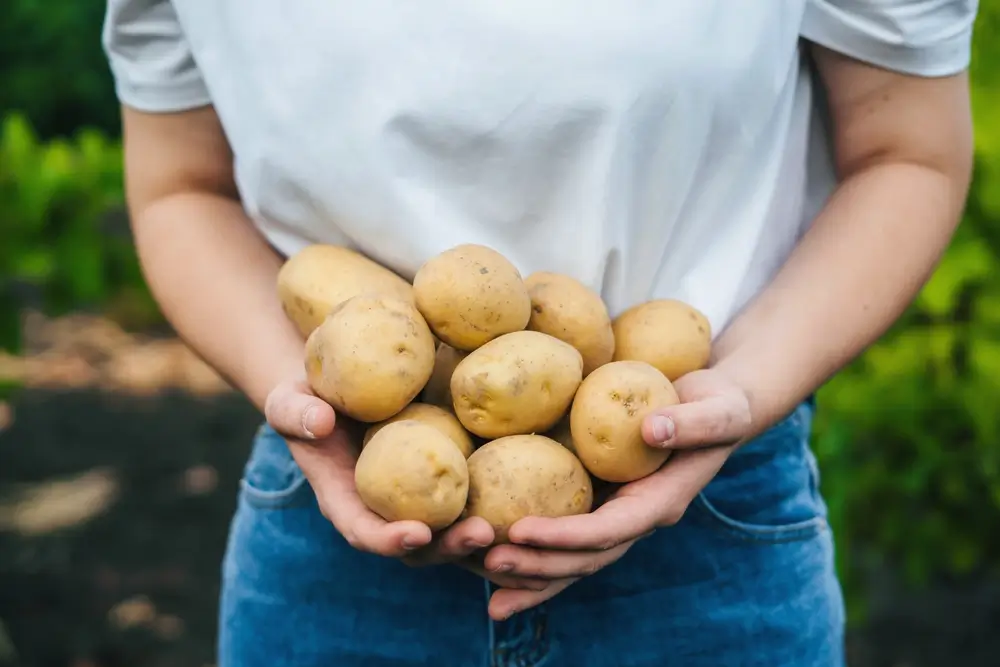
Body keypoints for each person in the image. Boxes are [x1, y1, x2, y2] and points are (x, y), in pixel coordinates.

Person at [101, 1, 978, 665]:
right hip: (338, 512)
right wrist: (294, 391)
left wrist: (749, 385)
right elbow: (182, 185)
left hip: (709, 511)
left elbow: (908, 150)